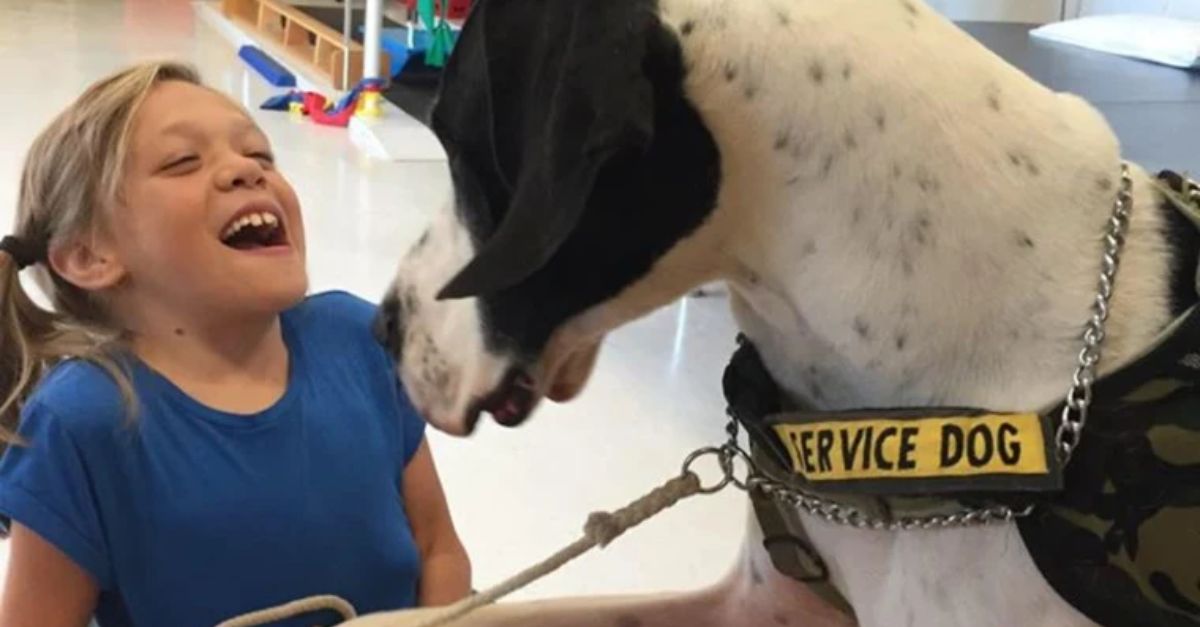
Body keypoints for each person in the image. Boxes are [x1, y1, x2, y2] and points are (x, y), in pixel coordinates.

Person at [0, 61, 471, 627]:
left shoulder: (360, 340)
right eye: (182, 162)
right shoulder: (83, 422)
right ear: (90, 257)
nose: (245, 173)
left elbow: (437, 546)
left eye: (259, 155)